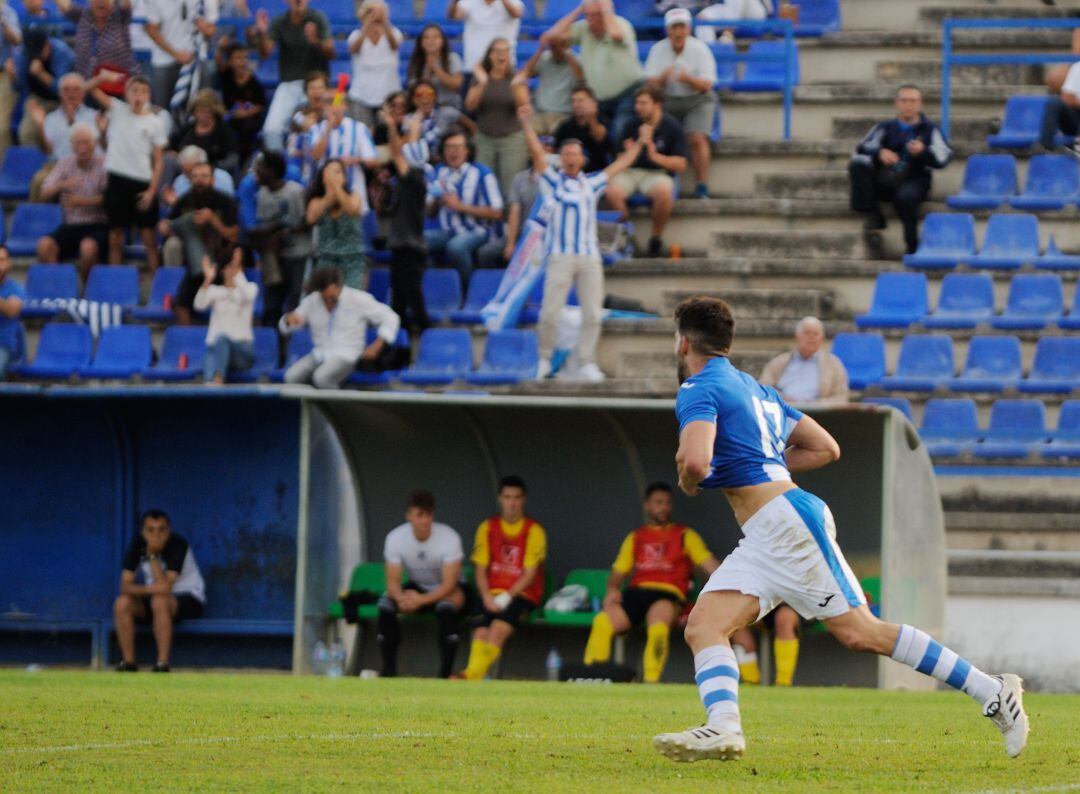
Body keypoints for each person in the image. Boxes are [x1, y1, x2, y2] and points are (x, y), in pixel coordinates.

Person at [652, 295, 1029, 761]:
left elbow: (694, 459)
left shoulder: (698, 388)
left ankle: (992, 691)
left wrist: (692, 479)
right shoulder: (757, 389)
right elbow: (826, 447)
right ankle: (724, 727)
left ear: (683, 341)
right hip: (770, 530)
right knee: (705, 624)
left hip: (786, 524)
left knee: (861, 632)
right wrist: (764, 465)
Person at [519, 103, 642, 382]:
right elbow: (538, 154)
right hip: (560, 255)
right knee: (550, 312)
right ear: (560, 158)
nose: (571, 157)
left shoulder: (592, 182)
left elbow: (621, 164)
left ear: (582, 159)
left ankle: (587, 360)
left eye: (575, 153)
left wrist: (641, 143)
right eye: (566, 153)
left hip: (588, 256)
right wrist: (527, 124)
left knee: (592, 312)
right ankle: (544, 359)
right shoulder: (550, 180)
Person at [583, 482, 720, 683]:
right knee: (602, 621)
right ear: (647, 505)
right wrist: (612, 589)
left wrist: (730, 579)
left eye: (667, 503)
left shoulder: (684, 535)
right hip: (637, 592)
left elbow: (707, 563)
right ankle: (592, 678)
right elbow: (618, 572)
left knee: (658, 626)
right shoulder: (636, 537)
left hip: (667, 594)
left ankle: (650, 682)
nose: (664, 507)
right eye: (658, 503)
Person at [456, 476, 547, 681]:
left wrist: (506, 597)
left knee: (496, 631)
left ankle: (471, 675)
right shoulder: (487, 527)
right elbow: (480, 569)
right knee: (480, 633)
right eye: (507, 497)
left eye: (516, 498)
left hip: (522, 594)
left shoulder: (534, 530)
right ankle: (476, 675)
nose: (512, 503)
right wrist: (486, 596)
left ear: (524, 499)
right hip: (490, 592)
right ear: (500, 499)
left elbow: (530, 574)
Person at [848, 84, 951, 255]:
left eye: (913, 101)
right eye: (904, 100)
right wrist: (879, 153)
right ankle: (874, 216)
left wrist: (922, 152)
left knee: (905, 197)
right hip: (886, 177)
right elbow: (860, 150)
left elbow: (943, 159)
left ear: (920, 104)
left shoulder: (930, 129)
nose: (908, 105)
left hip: (915, 180)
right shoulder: (884, 127)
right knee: (857, 166)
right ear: (897, 103)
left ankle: (912, 245)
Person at [377, 489, 468, 678]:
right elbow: (392, 581)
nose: (425, 521)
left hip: (446, 590)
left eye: (428, 515)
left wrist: (421, 600)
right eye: (419, 515)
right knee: (385, 604)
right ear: (408, 515)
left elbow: (450, 584)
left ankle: (444, 674)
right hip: (417, 589)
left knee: (447, 607)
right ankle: (389, 671)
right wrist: (401, 598)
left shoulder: (449, 537)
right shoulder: (395, 538)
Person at [91, 74, 167, 272]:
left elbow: (158, 162)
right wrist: (103, 78)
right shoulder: (117, 109)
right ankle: (117, 279)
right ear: (126, 93)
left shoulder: (155, 122)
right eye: (134, 91)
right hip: (117, 180)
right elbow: (87, 88)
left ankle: (155, 282)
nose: (138, 96)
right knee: (115, 237)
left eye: (143, 92)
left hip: (142, 183)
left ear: (149, 95)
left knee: (149, 238)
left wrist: (152, 191)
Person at [113, 509, 205, 673]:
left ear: (168, 530)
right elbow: (125, 586)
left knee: (159, 601)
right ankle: (128, 663)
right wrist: (147, 590)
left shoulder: (178, 544)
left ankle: (162, 664)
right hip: (154, 597)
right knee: (122, 603)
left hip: (188, 597)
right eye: (150, 530)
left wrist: (152, 556)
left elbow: (165, 587)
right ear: (143, 531)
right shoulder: (137, 544)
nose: (156, 534)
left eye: (161, 529)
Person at [279, 266, 401, 389]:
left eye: (332, 298)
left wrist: (378, 345)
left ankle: (337, 408)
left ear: (339, 286)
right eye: (324, 298)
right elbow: (286, 327)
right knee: (291, 377)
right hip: (319, 354)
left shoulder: (358, 299)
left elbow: (391, 317)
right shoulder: (312, 301)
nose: (329, 301)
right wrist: (288, 321)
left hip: (348, 354)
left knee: (321, 378)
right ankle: (308, 407)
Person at [604, 84, 687, 258]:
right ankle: (628, 234)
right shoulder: (630, 125)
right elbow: (619, 158)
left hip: (657, 173)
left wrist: (655, 156)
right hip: (630, 172)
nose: (637, 107)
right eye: (637, 103)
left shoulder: (672, 126)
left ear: (657, 104)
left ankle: (655, 238)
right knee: (611, 192)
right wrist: (630, 152)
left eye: (643, 103)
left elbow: (680, 164)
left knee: (664, 193)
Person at [644, 8, 717, 199]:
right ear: (668, 30)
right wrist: (662, 78)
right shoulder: (657, 49)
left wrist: (688, 79)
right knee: (654, 132)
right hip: (667, 99)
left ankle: (702, 184)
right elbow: (650, 84)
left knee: (697, 138)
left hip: (697, 99)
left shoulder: (700, 49)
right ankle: (660, 180)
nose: (678, 32)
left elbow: (707, 86)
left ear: (688, 29)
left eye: (681, 27)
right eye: (674, 27)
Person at [546, 0, 643, 140]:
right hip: (599, 98)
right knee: (591, 135)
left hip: (628, 93)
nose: (591, 20)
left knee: (620, 128)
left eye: (596, 15)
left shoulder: (620, 24)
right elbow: (552, 37)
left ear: (605, 13)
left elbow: (616, 35)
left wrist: (607, 9)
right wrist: (579, 10)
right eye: (588, 15)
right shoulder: (584, 28)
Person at [160, 160, 240, 323]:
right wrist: (164, 227)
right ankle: (187, 343)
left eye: (204, 176)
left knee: (226, 305)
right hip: (195, 262)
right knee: (181, 306)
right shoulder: (184, 201)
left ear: (213, 179)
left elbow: (233, 235)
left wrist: (213, 220)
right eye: (195, 176)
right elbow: (168, 226)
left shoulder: (225, 201)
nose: (199, 180)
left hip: (221, 261)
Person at [250, 0, 333, 152]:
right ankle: (281, 169)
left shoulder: (318, 18)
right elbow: (265, 53)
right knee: (271, 130)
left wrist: (315, 40)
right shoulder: (280, 21)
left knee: (322, 126)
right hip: (289, 83)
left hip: (316, 84)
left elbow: (331, 53)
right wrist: (262, 33)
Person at [424, 129, 504, 286]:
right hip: (447, 231)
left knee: (456, 247)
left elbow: (497, 212)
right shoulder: (438, 172)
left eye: (458, 146)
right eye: (448, 147)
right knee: (418, 242)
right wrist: (436, 201)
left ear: (467, 150)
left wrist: (461, 206)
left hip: (478, 231)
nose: (453, 151)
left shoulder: (482, 173)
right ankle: (435, 288)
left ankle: (467, 291)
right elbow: (429, 213)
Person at [36, 124, 109, 279]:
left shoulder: (104, 164)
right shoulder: (65, 163)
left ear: (94, 144)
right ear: (72, 146)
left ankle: (87, 292)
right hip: (71, 225)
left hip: (97, 225)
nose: (82, 148)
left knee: (87, 248)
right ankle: (60, 286)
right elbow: (43, 193)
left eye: (86, 143)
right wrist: (62, 184)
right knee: (44, 245)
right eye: (78, 143)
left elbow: (110, 199)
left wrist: (84, 202)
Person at [382, 107, 431, 335]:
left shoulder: (414, 178)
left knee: (410, 297)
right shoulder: (413, 179)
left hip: (409, 247)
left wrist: (393, 126)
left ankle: (426, 332)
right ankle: (400, 346)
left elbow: (397, 153)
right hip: (404, 245)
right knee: (399, 302)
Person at [249, 150, 311, 323]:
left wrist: (284, 231)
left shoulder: (295, 191)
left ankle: (290, 345)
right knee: (271, 304)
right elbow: (264, 225)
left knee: (295, 301)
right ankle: (270, 342)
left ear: (272, 170)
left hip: (297, 255)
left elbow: (306, 222)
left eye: (260, 168)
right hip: (274, 257)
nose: (257, 173)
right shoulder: (261, 194)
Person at [464, 37, 530, 199]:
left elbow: (524, 106)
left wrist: (516, 86)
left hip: (511, 139)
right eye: (497, 51)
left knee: (510, 189)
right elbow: (470, 106)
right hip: (485, 139)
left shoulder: (517, 77)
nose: (502, 55)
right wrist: (483, 82)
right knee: (484, 186)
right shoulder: (480, 78)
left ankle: (510, 223)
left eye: (506, 51)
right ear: (490, 55)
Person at [193, 247, 257, 384]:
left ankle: (216, 381)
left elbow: (249, 295)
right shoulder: (215, 291)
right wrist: (208, 279)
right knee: (213, 350)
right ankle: (214, 384)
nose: (233, 271)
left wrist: (238, 275)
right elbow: (198, 305)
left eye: (237, 267)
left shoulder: (250, 288)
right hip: (216, 348)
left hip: (242, 351)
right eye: (230, 267)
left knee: (221, 340)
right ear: (223, 270)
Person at [144, 0, 217, 112]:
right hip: (164, 60)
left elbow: (211, 31)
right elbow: (151, 28)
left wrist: (205, 28)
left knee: (200, 107)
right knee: (164, 111)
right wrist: (175, 54)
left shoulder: (206, 2)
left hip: (196, 59)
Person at [305, 158, 366, 290]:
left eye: (338, 172)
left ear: (345, 177)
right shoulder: (316, 201)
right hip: (327, 260)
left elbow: (351, 209)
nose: (333, 176)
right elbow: (311, 218)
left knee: (351, 300)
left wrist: (336, 186)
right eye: (330, 173)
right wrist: (329, 194)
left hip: (352, 260)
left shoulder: (354, 196)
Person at [758, 316, 849, 404]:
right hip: (783, 410)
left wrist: (817, 404)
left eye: (815, 334)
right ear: (797, 337)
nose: (811, 337)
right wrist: (782, 400)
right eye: (807, 333)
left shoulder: (834, 365)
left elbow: (841, 398)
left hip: (818, 415)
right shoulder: (778, 362)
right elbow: (762, 390)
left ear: (821, 339)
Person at [307, 99, 379, 210]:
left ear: (344, 105)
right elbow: (316, 155)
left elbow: (373, 161)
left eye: (336, 103)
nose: (333, 107)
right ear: (323, 107)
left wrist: (356, 160)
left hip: (354, 192)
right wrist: (328, 128)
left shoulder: (359, 128)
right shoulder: (315, 129)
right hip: (325, 193)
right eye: (329, 103)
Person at [13, 28, 74, 150]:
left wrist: (41, 75)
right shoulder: (22, 53)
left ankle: (60, 165)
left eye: (39, 51)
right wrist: (13, 77)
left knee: (62, 134)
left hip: (63, 101)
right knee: (26, 133)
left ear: (47, 45)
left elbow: (64, 90)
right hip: (37, 98)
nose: (36, 56)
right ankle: (35, 167)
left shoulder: (62, 52)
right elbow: (20, 87)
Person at [346, 0, 401, 127]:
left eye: (380, 12)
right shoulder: (356, 35)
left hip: (388, 95)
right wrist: (367, 24)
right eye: (371, 12)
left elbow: (394, 45)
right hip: (361, 95)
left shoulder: (394, 33)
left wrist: (385, 22)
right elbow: (354, 49)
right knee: (362, 133)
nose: (376, 16)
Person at [516, 33, 583, 136]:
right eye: (552, 46)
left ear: (566, 46)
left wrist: (568, 54)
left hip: (563, 116)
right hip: (539, 114)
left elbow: (581, 80)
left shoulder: (576, 60)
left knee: (561, 132)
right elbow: (524, 75)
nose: (555, 50)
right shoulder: (544, 57)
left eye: (559, 46)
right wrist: (539, 51)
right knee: (521, 133)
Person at [60, 0, 139, 86]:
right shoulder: (82, 15)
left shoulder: (121, 15)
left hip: (119, 85)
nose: (101, 2)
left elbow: (126, 4)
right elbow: (64, 4)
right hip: (87, 86)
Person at [729, 604, 802, 686]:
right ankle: (751, 681)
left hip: (784, 606)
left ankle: (783, 683)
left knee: (785, 616)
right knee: (735, 621)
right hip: (753, 605)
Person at [219, 42, 266, 166]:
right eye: (238, 58)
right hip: (229, 117)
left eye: (245, 58)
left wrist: (245, 113)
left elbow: (260, 105)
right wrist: (220, 48)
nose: (242, 62)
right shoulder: (226, 76)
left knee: (246, 127)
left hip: (248, 120)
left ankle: (244, 163)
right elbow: (218, 62)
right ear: (230, 61)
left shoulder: (254, 82)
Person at [172, 89, 239, 174]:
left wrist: (211, 168)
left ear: (214, 111)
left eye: (206, 111)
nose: (202, 115)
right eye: (199, 111)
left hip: (214, 175)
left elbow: (232, 159)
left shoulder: (225, 132)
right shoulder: (187, 129)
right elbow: (172, 146)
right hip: (185, 172)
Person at [447, 0, 523, 73]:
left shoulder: (513, 1)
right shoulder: (469, 2)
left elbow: (517, 13)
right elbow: (454, 16)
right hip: (473, 65)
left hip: (503, 68)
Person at [553, 85, 614, 171]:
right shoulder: (566, 125)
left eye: (580, 101)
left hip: (596, 171)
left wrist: (591, 117)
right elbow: (554, 148)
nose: (576, 104)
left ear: (593, 103)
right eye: (573, 101)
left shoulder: (602, 121)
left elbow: (601, 138)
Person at [406, 24, 464, 111]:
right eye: (426, 37)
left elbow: (458, 85)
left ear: (442, 41)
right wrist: (428, 72)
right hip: (424, 109)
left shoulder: (452, 58)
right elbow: (414, 91)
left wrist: (436, 69)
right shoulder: (416, 62)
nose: (431, 41)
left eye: (436, 37)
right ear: (421, 43)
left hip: (449, 107)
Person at [408, 78, 468, 152]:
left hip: (446, 160)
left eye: (429, 93)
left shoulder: (447, 112)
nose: (425, 97)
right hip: (421, 160)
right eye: (419, 94)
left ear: (435, 96)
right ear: (413, 99)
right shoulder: (408, 120)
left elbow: (472, 127)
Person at [1039, 58, 1080, 157]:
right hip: (1075, 117)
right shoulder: (1077, 67)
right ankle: (1045, 147)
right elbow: (1066, 97)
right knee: (1054, 101)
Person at [0, 0, 21, 156]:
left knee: (1, 127)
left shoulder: (7, 12)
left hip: (4, 75)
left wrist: (2, 20)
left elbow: (17, 40)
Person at [0, 246, 24, 380]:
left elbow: (11, 310)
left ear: (9, 263)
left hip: (3, 346)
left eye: (2, 260)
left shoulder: (16, 288)